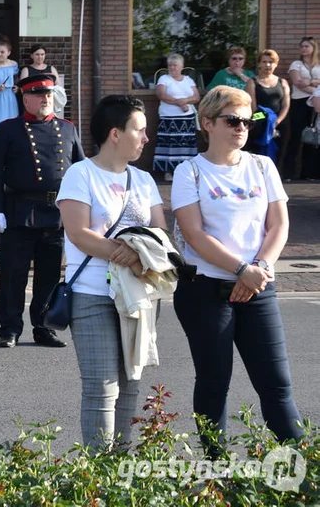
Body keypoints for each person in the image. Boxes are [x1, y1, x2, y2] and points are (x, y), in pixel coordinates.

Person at [171, 85, 302, 455]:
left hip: (258, 286)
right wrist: (241, 268)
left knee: (276, 384)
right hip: (205, 291)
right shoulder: (190, 172)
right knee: (214, 383)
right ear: (208, 123)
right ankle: (217, 471)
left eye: (248, 120)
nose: (242, 127)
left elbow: (278, 225)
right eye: (232, 120)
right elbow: (194, 235)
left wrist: (258, 268)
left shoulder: (263, 166)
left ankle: (304, 472)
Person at [58, 95, 167, 449]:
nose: (145, 138)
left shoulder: (145, 180)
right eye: (140, 130)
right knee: (101, 388)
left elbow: (162, 232)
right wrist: (133, 257)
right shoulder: (80, 174)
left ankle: (120, 467)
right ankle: (98, 477)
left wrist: (142, 260)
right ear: (115, 133)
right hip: (92, 294)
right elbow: (79, 234)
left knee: (130, 385)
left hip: (138, 295)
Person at [0, 73, 84, 349]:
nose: (45, 100)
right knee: (13, 274)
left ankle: (43, 327)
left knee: (49, 276)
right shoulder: (8, 129)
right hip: (20, 210)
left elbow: (81, 172)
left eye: (49, 95)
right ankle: (9, 328)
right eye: (39, 95)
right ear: (25, 98)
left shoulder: (67, 128)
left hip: (55, 212)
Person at [152, 53, 199, 181]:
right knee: (169, 146)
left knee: (186, 146)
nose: (172, 68)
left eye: (175, 65)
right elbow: (161, 95)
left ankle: (187, 172)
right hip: (169, 118)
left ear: (182, 66)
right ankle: (168, 172)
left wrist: (185, 101)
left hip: (186, 119)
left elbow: (196, 97)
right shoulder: (164, 79)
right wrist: (181, 103)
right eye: (170, 65)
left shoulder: (188, 80)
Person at [246, 49, 290, 161]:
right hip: (259, 119)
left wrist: (276, 122)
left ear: (276, 64)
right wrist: (267, 123)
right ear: (259, 64)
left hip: (279, 121)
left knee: (280, 151)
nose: (268, 65)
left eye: (271, 62)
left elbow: (286, 105)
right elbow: (252, 107)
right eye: (264, 62)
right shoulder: (252, 82)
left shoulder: (282, 82)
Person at [285, 37, 320, 179]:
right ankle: (288, 173)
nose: (303, 49)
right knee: (296, 137)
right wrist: (317, 90)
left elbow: (307, 83)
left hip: (316, 104)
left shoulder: (318, 65)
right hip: (299, 103)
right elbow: (298, 83)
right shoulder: (296, 64)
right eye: (302, 46)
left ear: (313, 48)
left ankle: (309, 173)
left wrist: (310, 82)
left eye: (307, 46)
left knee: (313, 138)